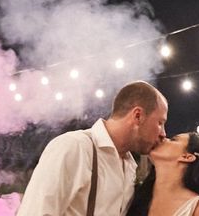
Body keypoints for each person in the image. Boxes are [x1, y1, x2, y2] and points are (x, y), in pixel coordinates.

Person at [17, 81, 168, 215]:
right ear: (137, 116)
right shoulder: (74, 147)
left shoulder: (129, 166)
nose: (163, 133)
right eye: (160, 123)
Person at [127, 132, 199, 216]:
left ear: (186, 157)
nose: (163, 138)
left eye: (173, 140)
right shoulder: (135, 195)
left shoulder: (198, 210)